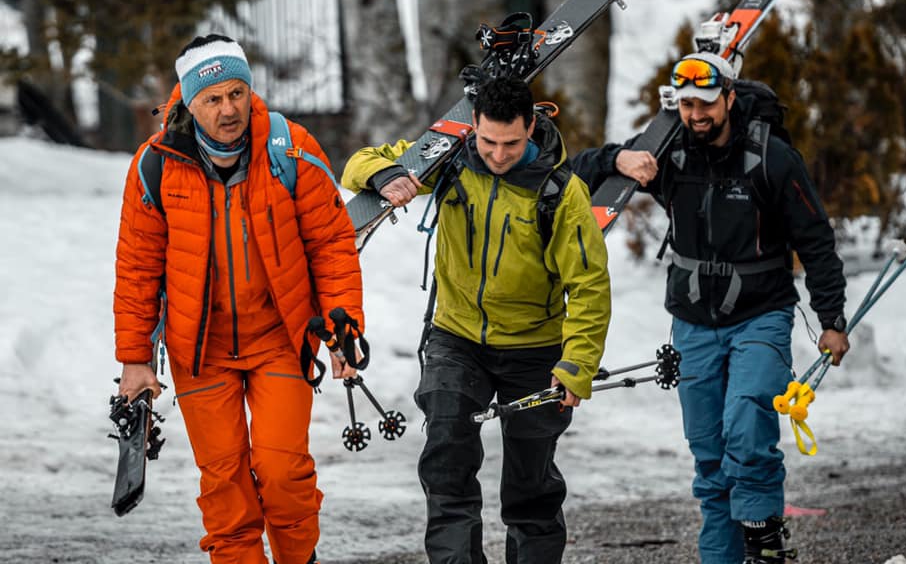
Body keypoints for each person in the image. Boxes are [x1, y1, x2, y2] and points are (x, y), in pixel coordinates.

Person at [570, 52, 851, 564]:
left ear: (728, 98)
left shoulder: (772, 158)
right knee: (709, 454)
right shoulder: (669, 153)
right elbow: (576, 171)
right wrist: (617, 159)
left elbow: (815, 241)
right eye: (686, 105)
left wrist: (831, 319)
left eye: (705, 103)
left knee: (747, 427)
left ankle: (764, 543)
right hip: (693, 322)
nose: (696, 114)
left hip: (761, 314)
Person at [113, 34, 364, 564]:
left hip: (280, 341)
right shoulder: (155, 165)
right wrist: (135, 358)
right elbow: (137, 269)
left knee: (282, 471)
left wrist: (344, 328)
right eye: (212, 99)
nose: (228, 110)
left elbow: (331, 244)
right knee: (224, 485)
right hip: (199, 351)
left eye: (236, 94)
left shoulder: (291, 149)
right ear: (189, 102)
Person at [341, 77, 611, 564]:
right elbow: (359, 162)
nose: (498, 155)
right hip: (457, 338)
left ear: (530, 128)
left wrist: (578, 363)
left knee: (531, 485)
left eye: (511, 144)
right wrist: (384, 175)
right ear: (473, 128)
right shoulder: (450, 160)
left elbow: (589, 286)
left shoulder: (560, 192)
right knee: (446, 461)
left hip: (535, 348)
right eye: (488, 141)